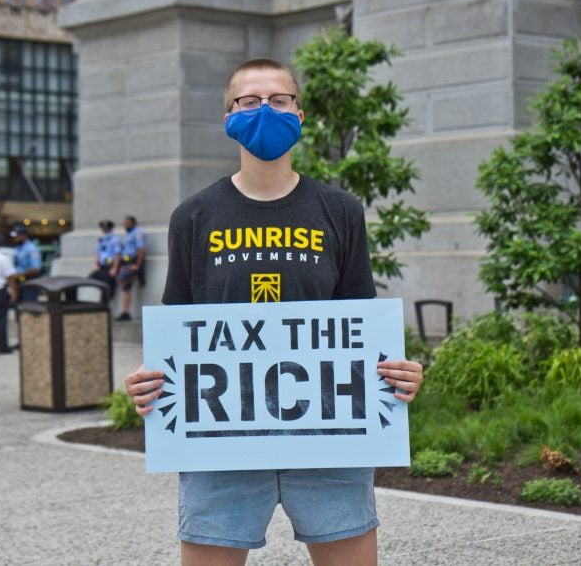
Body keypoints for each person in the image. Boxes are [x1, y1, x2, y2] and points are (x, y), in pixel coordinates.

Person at [123, 59, 425, 565]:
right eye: (249, 101)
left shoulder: (340, 211)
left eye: (279, 100)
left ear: (300, 114)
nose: (265, 109)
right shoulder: (193, 216)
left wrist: (397, 370)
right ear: (228, 118)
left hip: (328, 436)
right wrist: (150, 379)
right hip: (221, 440)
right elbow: (178, 327)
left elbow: (359, 323)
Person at [111, 215, 146, 321]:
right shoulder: (127, 235)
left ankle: (126, 312)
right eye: (125, 224)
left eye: (128, 223)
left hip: (132, 263)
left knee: (123, 283)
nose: (126, 226)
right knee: (125, 287)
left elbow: (141, 250)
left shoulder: (138, 232)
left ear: (134, 223)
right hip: (125, 263)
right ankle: (125, 311)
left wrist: (137, 265)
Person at [10, 224, 43, 303]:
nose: (14, 238)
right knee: (18, 307)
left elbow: (35, 269)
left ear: (23, 235)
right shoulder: (18, 248)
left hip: (29, 283)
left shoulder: (32, 249)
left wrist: (20, 275)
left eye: (16, 236)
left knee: (29, 306)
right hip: (19, 282)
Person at [89, 219, 120, 298]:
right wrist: (96, 264)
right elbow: (98, 252)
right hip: (101, 265)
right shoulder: (102, 239)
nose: (104, 229)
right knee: (91, 278)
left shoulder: (115, 239)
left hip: (110, 265)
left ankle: (107, 305)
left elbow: (117, 254)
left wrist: (114, 268)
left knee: (108, 287)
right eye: (103, 228)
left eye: (106, 228)